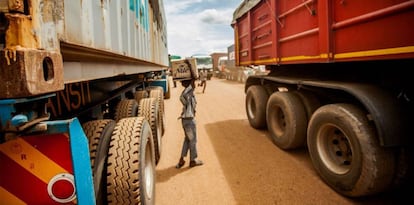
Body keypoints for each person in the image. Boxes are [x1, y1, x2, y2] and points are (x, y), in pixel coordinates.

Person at [176, 78, 203, 168]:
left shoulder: (184, 93)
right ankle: (193, 160)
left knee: (187, 139)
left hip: (185, 120)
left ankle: (181, 160)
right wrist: (190, 66)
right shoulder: (188, 92)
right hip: (189, 121)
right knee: (193, 140)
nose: (194, 84)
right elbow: (193, 83)